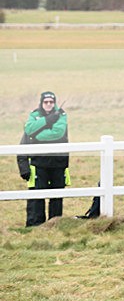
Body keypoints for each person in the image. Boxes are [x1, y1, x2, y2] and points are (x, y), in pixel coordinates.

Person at [17, 91, 70, 227]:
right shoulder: (34, 115)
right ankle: (35, 225)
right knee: (36, 197)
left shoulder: (61, 115)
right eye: (46, 102)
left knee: (56, 197)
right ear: (41, 103)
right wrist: (48, 121)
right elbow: (28, 131)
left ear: (55, 103)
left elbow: (57, 133)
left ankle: (55, 224)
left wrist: (38, 132)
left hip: (58, 163)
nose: (48, 104)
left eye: (51, 102)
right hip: (38, 163)